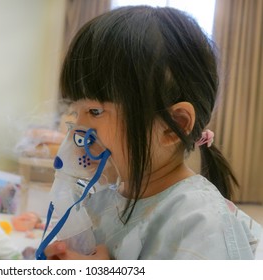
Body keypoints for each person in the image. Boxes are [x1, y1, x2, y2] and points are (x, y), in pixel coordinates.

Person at [43, 5, 261, 260]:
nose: (77, 131)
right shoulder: (99, 204)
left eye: (95, 111)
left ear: (172, 126)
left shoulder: (200, 222)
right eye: (74, 110)